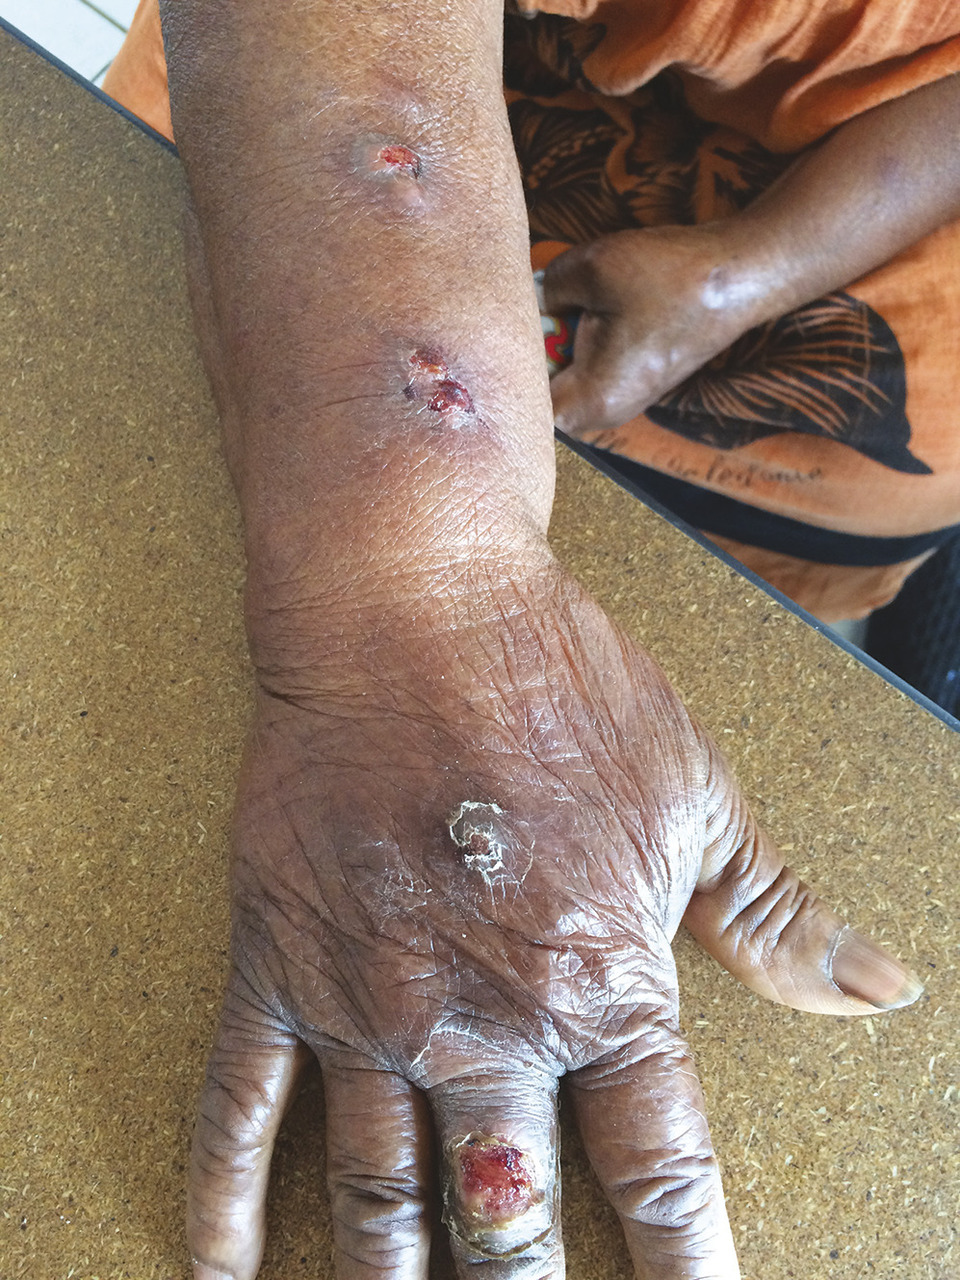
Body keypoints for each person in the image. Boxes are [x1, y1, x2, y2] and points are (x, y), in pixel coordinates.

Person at [101, 2, 926, 1277]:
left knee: (791, 600)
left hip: (857, 296)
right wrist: (413, 596)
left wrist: (752, 269)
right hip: (303, 162)